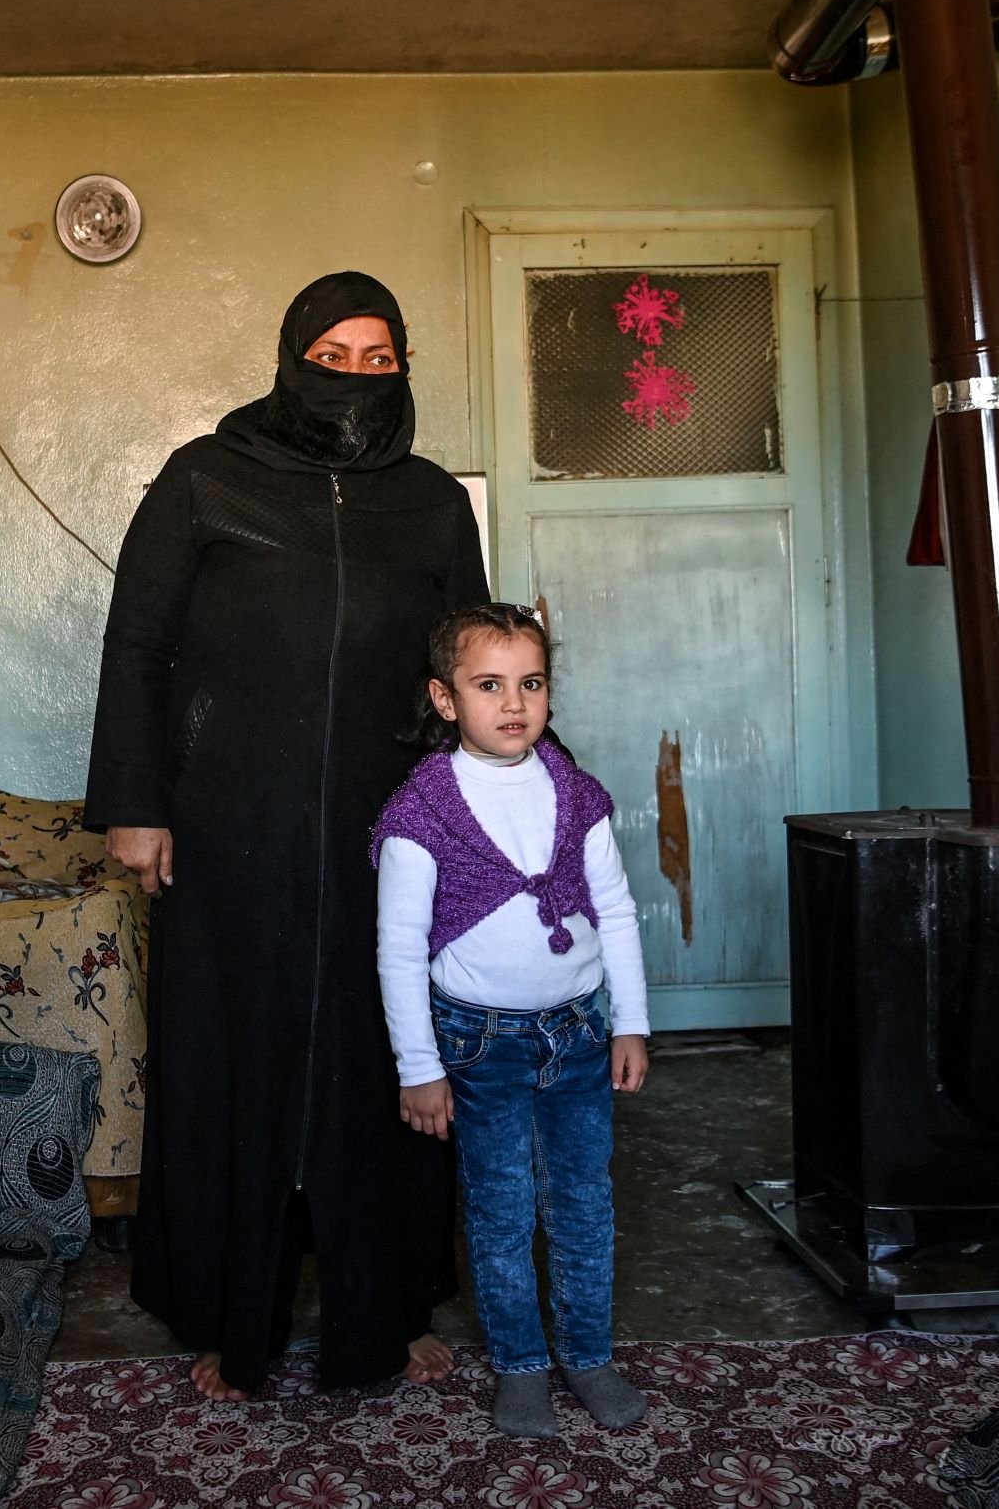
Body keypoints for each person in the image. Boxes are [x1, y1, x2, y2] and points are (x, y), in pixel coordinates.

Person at [83, 273, 489, 1401]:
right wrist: (136, 800)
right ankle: (229, 1314)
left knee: (388, 1053)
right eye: (333, 353)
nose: (354, 377)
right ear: (288, 356)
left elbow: (466, 662)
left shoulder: (429, 502)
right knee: (234, 1057)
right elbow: (138, 646)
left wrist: (483, 814)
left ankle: (389, 1304)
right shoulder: (204, 479)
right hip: (230, 823)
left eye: (378, 358)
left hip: (391, 825)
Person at [372, 603, 652, 1438]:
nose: (513, 702)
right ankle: (521, 1365)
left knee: (582, 1204)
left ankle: (589, 1354)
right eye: (488, 685)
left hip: (577, 1034)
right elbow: (397, 947)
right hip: (476, 1043)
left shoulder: (573, 793)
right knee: (499, 1210)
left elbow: (618, 911)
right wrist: (416, 1065)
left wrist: (629, 1022)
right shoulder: (424, 808)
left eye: (530, 682)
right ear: (445, 697)